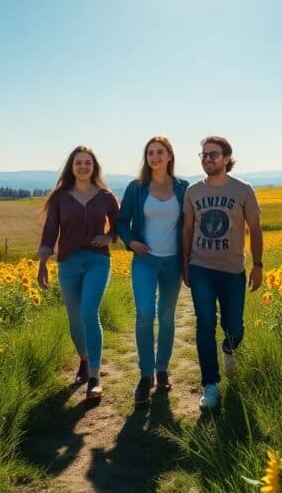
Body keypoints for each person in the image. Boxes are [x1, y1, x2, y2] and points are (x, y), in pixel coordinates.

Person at [182, 135, 263, 409]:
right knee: (205, 323)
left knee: (234, 327)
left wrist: (258, 265)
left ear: (227, 158)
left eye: (213, 154)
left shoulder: (243, 190)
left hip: (232, 270)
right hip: (201, 266)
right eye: (203, 154)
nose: (207, 159)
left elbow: (256, 229)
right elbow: (188, 230)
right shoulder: (193, 191)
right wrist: (185, 264)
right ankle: (211, 384)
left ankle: (229, 349)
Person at [37, 146, 119, 400]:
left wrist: (109, 236)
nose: (83, 167)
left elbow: (120, 225)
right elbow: (50, 230)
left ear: (94, 167)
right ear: (71, 167)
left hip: (97, 261)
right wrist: (42, 264)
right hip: (68, 263)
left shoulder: (106, 196)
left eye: (88, 163)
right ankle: (84, 358)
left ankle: (94, 376)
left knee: (88, 313)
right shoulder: (60, 197)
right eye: (78, 163)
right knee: (74, 320)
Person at [117, 136, 189, 405]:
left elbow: (189, 224)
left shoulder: (183, 187)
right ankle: (145, 374)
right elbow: (122, 221)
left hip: (172, 262)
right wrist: (131, 242)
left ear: (169, 155)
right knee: (145, 314)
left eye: (160, 152)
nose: (155, 157)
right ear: (146, 158)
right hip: (144, 260)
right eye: (150, 153)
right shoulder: (136, 188)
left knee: (167, 317)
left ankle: (162, 369)